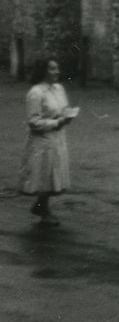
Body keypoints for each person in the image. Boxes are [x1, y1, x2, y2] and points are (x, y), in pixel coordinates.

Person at [20, 58, 77, 227]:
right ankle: (44, 211)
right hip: (42, 140)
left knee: (54, 172)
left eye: (57, 68)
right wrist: (56, 123)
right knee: (45, 173)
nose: (57, 72)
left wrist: (68, 115)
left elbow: (64, 108)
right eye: (52, 69)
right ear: (43, 71)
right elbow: (34, 121)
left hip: (58, 138)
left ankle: (41, 206)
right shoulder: (35, 93)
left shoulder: (59, 88)